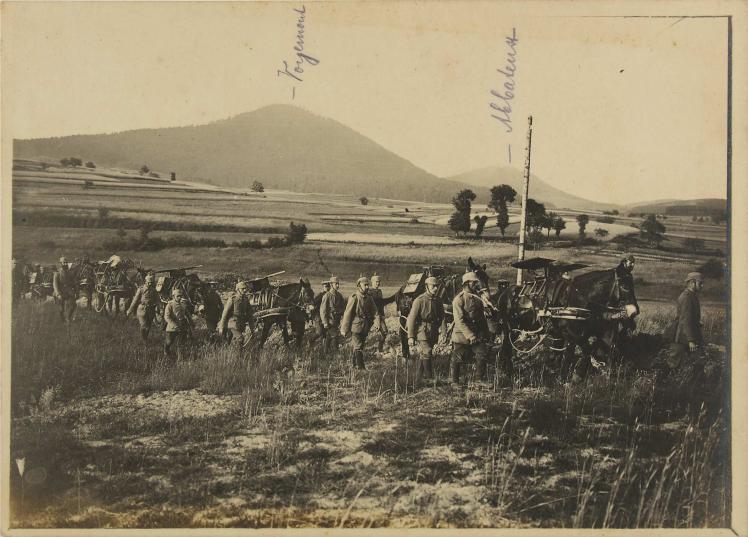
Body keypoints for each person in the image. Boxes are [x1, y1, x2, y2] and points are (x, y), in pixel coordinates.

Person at [450, 272, 492, 385]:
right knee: (458, 358)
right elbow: (459, 321)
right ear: (467, 283)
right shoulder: (458, 300)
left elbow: (481, 318)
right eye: (474, 282)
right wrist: (470, 335)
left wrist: (486, 334)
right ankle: (454, 382)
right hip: (461, 335)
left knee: (482, 353)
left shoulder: (477, 299)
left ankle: (479, 380)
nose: (475, 285)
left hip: (476, 334)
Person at [406, 276, 444, 381]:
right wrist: (411, 336)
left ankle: (418, 378)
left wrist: (438, 328)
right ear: (427, 286)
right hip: (422, 330)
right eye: (433, 286)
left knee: (425, 354)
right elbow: (411, 320)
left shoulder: (438, 300)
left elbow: (442, 317)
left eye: (437, 286)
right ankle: (429, 379)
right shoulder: (419, 300)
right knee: (427, 351)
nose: (436, 288)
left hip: (433, 331)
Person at [666, 272, 705, 370]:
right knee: (673, 364)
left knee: (698, 360)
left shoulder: (692, 296)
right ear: (692, 283)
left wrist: (696, 321)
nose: (702, 286)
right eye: (700, 283)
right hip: (682, 336)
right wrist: (691, 340)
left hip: (687, 334)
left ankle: (691, 381)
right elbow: (685, 320)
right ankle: (665, 382)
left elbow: (689, 316)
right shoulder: (687, 297)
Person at [341, 277, 378, 370]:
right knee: (358, 346)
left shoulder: (369, 298)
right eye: (365, 285)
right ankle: (361, 368)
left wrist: (377, 322)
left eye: (367, 285)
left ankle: (354, 365)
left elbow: (375, 312)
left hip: (365, 326)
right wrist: (344, 329)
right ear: (359, 286)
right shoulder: (354, 297)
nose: (367, 287)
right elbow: (347, 314)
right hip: (356, 326)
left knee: (360, 345)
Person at [218, 281, 254, 351]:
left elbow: (250, 315)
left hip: (240, 323)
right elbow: (225, 312)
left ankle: (226, 353)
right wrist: (221, 327)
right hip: (232, 323)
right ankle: (239, 355)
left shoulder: (246, 300)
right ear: (237, 290)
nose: (245, 290)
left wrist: (252, 328)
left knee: (229, 340)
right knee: (240, 338)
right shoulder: (233, 299)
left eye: (245, 288)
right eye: (242, 288)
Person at [126, 273, 158, 341]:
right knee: (143, 325)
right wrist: (130, 310)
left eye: (151, 283)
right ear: (146, 282)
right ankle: (144, 340)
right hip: (142, 309)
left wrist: (161, 309)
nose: (150, 284)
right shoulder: (141, 289)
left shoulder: (154, 290)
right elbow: (135, 301)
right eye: (149, 282)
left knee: (148, 326)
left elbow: (158, 300)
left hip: (151, 310)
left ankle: (145, 337)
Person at [163, 288, 193, 360]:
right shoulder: (170, 305)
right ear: (173, 296)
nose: (180, 297)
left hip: (182, 326)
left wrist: (192, 323)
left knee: (181, 343)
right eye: (178, 296)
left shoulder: (183, 304)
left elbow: (187, 314)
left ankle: (180, 359)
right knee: (169, 341)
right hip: (172, 327)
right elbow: (167, 317)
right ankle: (166, 349)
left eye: (181, 296)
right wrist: (174, 325)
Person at [320, 276, 346, 353]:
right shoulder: (327, 296)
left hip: (337, 321)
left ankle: (325, 353)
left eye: (338, 284)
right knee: (335, 336)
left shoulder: (339, 295)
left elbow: (343, 307)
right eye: (336, 284)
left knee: (328, 336)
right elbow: (323, 310)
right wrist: (325, 322)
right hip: (330, 320)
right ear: (331, 285)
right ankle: (336, 354)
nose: (338, 285)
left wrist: (342, 318)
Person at [615, 254, 640, 329]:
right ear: (624, 262)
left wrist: (635, 304)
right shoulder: (618, 274)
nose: (633, 265)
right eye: (631, 262)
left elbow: (631, 292)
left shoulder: (628, 275)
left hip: (625, 303)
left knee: (630, 326)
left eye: (633, 263)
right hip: (619, 303)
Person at [52, 256, 77, 322]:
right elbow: (55, 285)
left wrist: (75, 292)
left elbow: (73, 283)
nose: (65, 264)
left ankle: (68, 317)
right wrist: (58, 294)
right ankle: (62, 319)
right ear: (60, 263)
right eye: (64, 262)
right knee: (61, 308)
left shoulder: (70, 273)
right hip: (60, 292)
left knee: (73, 305)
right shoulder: (57, 273)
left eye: (66, 262)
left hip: (69, 292)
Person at [369, 274, 388, 352]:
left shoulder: (380, 291)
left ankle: (379, 348)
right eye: (376, 282)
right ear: (372, 282)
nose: (378, 283)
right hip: (372, 316)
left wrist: (382, 315)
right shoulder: (369, 292)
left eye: (379, 282)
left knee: (385, 332)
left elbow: (381, 304)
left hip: (379, 315)